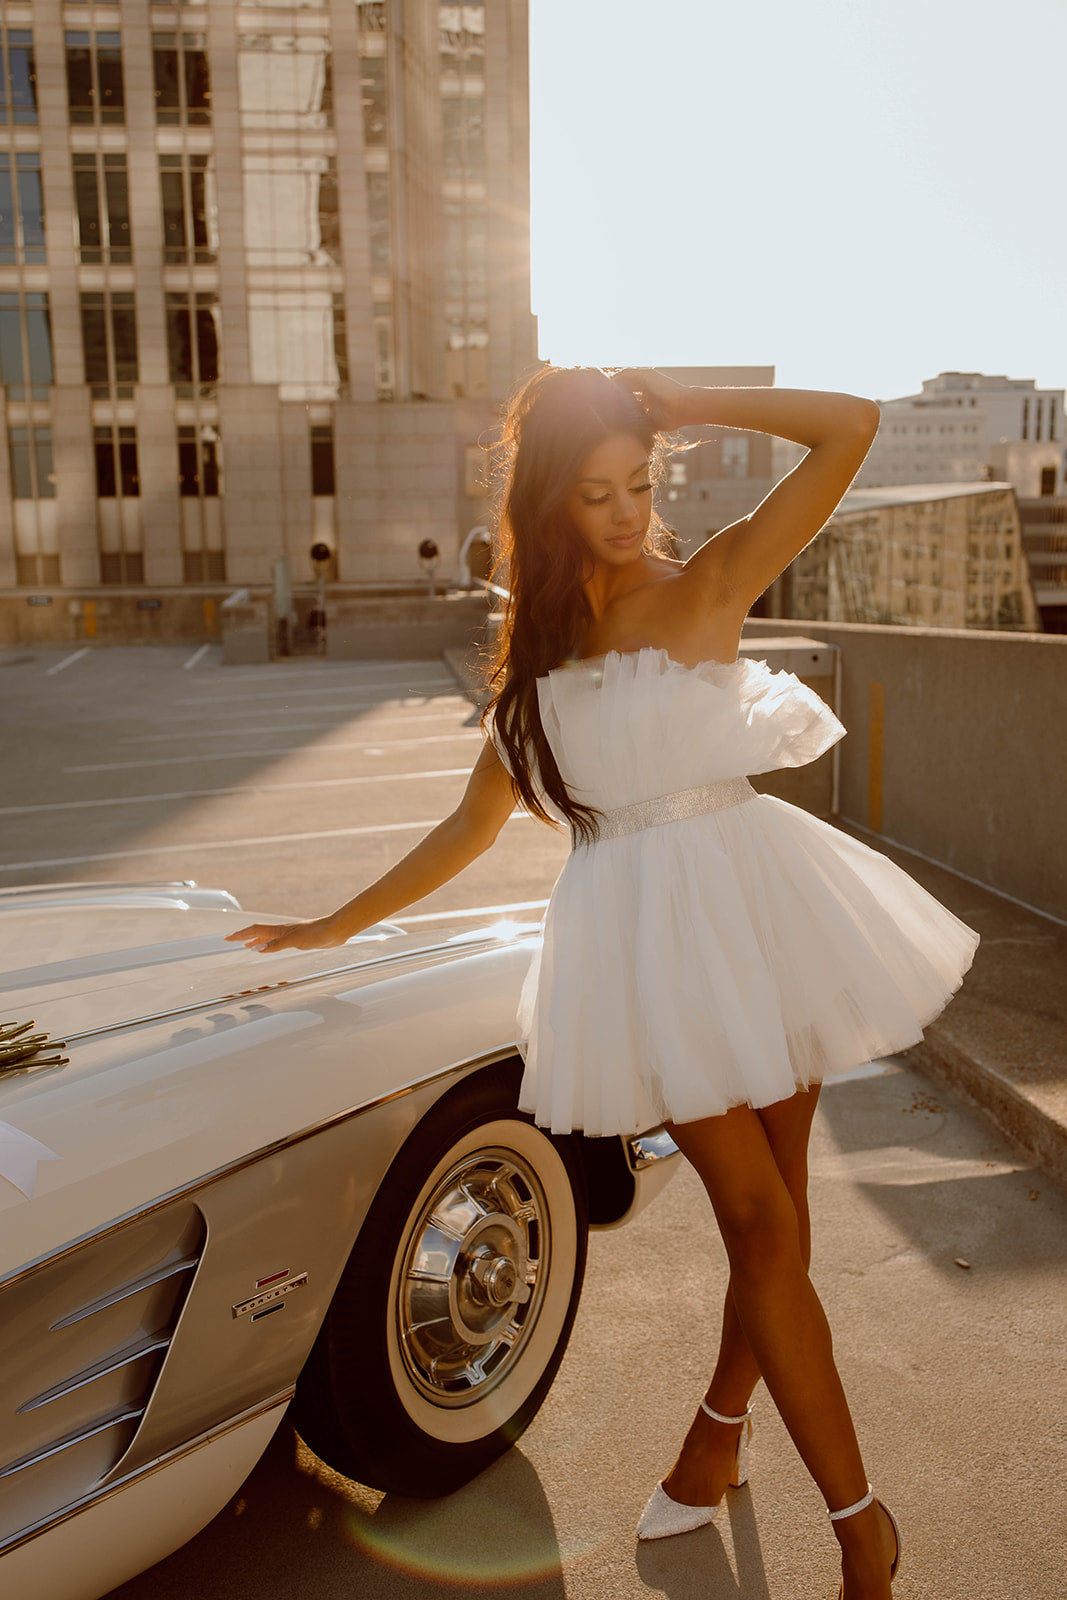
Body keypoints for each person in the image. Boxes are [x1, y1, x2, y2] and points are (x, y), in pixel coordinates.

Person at [226, 366, 978, 1599]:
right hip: (648, 949)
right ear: (548, 506)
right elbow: (468, 826)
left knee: (772, 1218)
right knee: (760, 1223)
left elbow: (852, 427)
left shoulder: (709, 582)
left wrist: (689, 393)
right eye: (598, 493)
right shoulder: (535, 673)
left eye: (641, 484)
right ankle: (857, 1526)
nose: (630, 513)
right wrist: (333, 922)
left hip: (756, 911)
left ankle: (733, 1452)